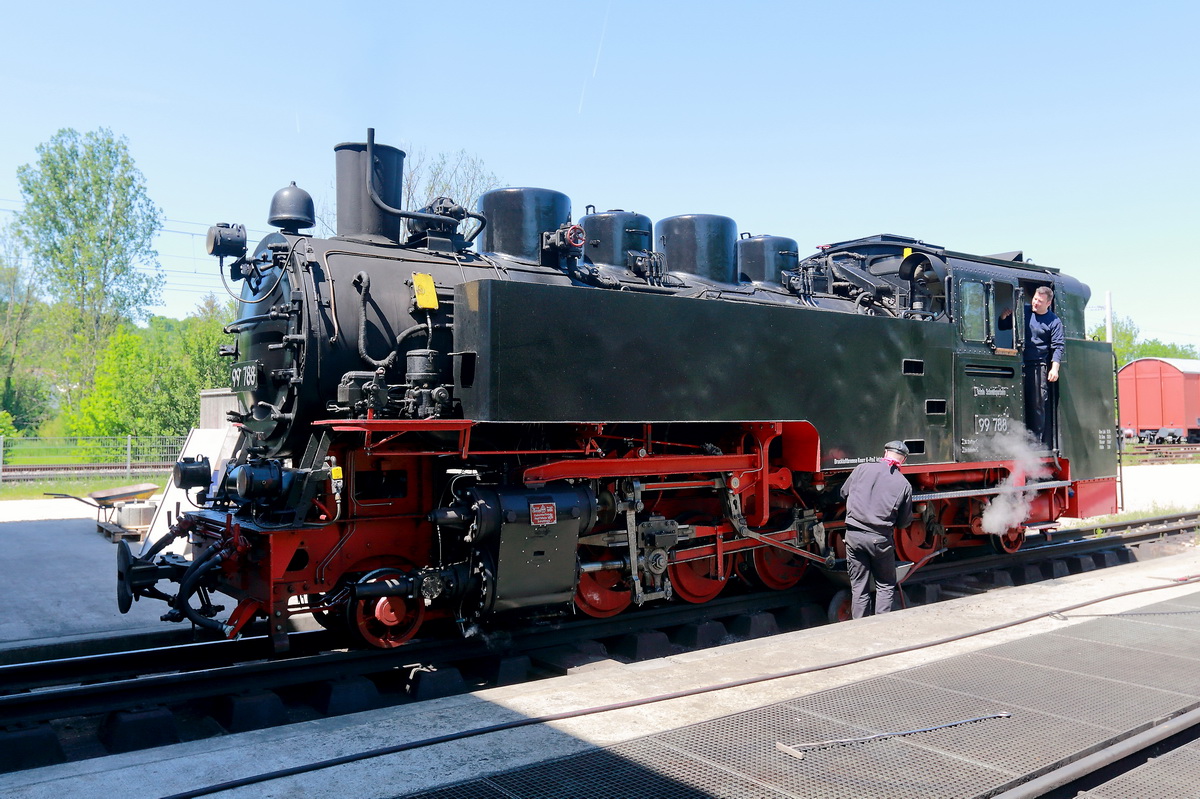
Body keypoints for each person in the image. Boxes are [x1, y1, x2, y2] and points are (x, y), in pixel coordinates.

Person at [840, 440, 914, 619]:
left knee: (859, 586)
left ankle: (859, 627)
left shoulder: (861, 468)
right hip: (879, 540)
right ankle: (880, 627)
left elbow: (843, 492)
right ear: (903, 460)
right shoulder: (904, 484)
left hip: (854, 536)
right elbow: (904, 523)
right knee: (885, 584)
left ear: (885, 453)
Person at [1000, 286, 1064, 448]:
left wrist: (1054, 368)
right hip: (1018, 362)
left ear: (1048, 303)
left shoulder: (1054, 321)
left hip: (1038, 365)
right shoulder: (1025, 311)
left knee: (1037, 404)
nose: (1035, 303)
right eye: (1035, 299)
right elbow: (1004, 326)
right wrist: (1003, 317)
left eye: (1040, 301)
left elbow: (1058, 347)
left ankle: (1035, 443)